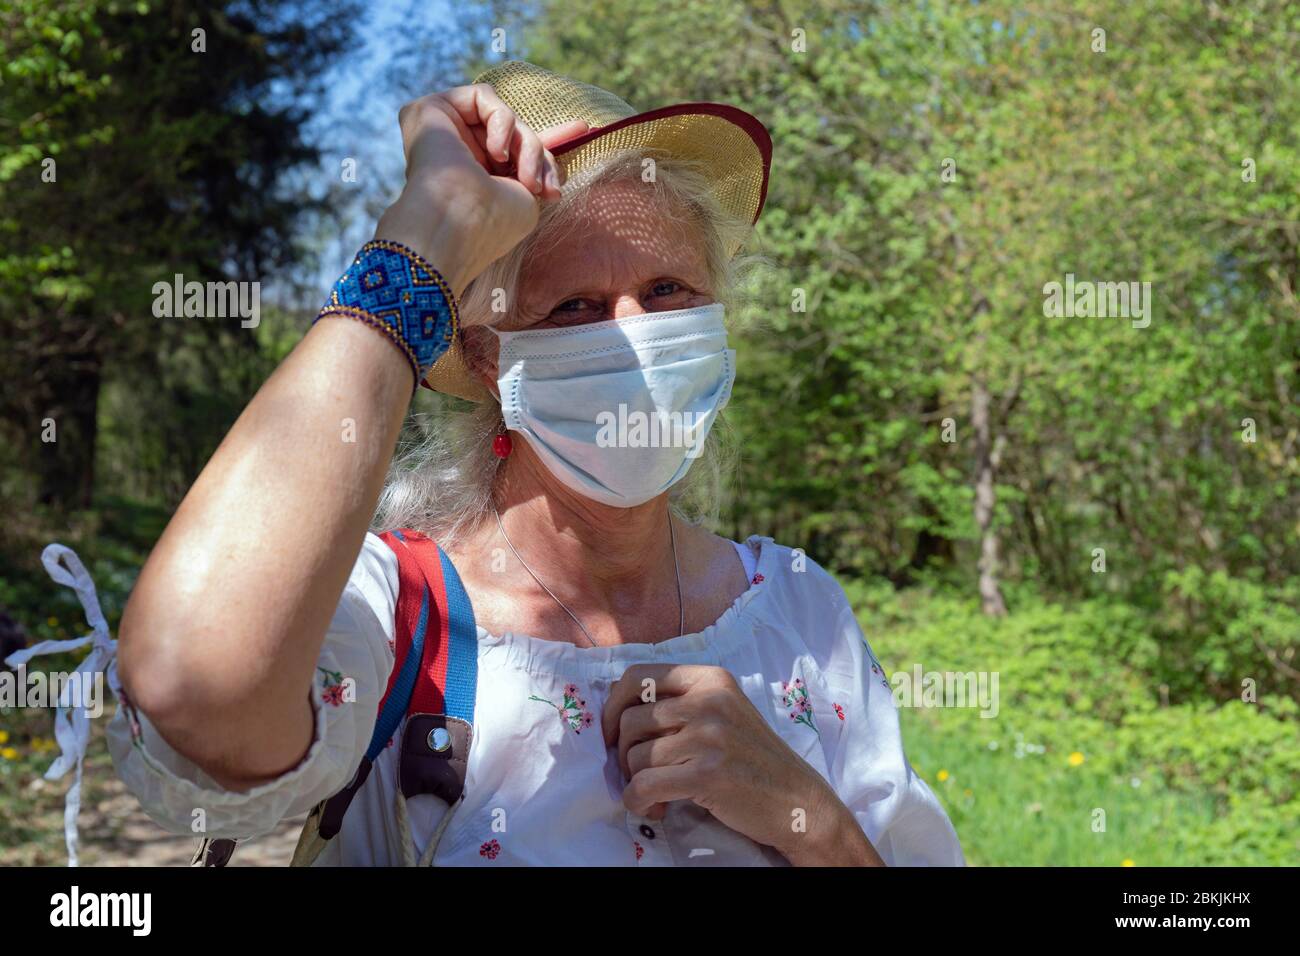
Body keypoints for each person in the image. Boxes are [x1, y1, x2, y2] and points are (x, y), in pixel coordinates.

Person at [108, 61, 964, 866]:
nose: (633, 335)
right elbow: (193, 682)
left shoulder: (799, 613)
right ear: (488, 358)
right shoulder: (402, 616)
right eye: (575, 307)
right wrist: (428, 232)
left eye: (670, 291)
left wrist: (801, 811)